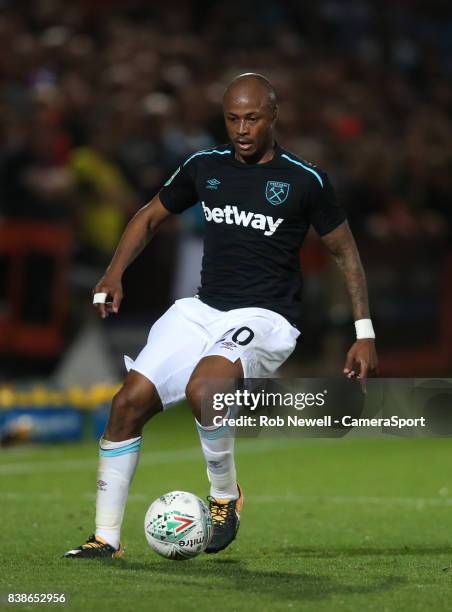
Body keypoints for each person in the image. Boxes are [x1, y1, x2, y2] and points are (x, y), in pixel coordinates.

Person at [64, 73, 378, 559]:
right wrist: (113, 273)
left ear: (273, 116)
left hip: (267, 317)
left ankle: (224, 497)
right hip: (201, 309)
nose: (242, 129)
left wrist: (363, 332)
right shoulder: (203, 166)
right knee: (127, 403)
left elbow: (346, 253)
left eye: (252, 118)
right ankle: (105, 538)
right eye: (233, 118)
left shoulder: (304, 179)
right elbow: (148, 216)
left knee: (205, 388)